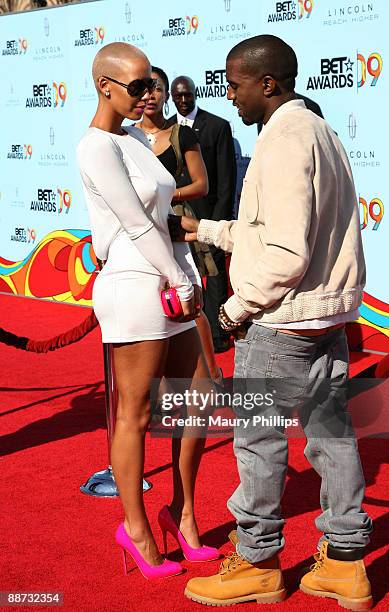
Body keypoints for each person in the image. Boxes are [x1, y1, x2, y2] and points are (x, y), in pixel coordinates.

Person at [177, 35, 373, 608]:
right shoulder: (318, 131)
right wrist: (204, 230)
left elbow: (285, 254)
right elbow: (270, 233)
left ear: (268, 83)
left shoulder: (285, 140)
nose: (227, 95)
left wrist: (233, 310)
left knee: (258, 443)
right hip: (323, 321)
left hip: (279, 322)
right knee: (332, 438)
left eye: (234, 84)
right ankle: (345, 563)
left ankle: (259, 562)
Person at [76, 42, 219, 581]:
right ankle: (135, 528)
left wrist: (187, 272)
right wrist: (178, 277)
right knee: (136, 413)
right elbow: (135, 224)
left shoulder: (136, 137)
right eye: (136, 87)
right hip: (135, 285)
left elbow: (163, 212)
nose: (147, 95)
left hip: (170, 277)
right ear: (104, 86)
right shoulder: (94, 147)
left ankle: (181, 513)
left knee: (201, 395)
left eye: (150, 86)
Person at [136, 65, 223, 384]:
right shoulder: (125, 136)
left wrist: (164, 195)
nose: (150, 95)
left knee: (189, 302)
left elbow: (201, 184)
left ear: (166, 94)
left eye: (157, 88)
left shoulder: (180, 134)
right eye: (144, 88)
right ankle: (160, 383)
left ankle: (212, 374)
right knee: (148, 302)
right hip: (138, 233)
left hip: (172, 229)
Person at [169, 76, 237, 354]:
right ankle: (189, 334)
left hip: (210, 215)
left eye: (188, 95)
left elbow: (226, 180)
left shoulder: (217, 126)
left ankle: (219, 336)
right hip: (177, 216)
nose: (184, 101)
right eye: (178, 97)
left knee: (216, 274)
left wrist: (219, 220)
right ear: (171, 98)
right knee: (186, 273)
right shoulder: (165, 129)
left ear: (196, 94)